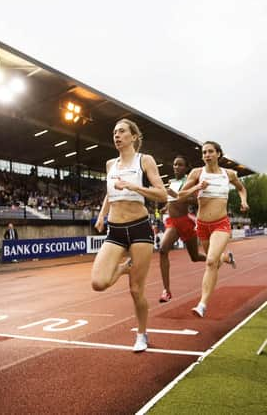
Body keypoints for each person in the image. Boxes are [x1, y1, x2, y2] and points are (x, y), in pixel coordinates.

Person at [91, 118, 167, 352]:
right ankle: (124, 268)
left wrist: (135, 187)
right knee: (98, 282)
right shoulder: (109, 164)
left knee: (136, 290)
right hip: (115, 229)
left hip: (139, 228)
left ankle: (141, 334)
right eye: (114, 132)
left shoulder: (144, 160)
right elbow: (108, 191)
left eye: (122, 131)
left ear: (133, 136)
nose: (117, 135)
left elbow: (162, 194)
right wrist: (101, 215)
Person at [177, 141, 248, 318]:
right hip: (202, 225)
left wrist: (243, 201)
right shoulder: (197, 173)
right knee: (214, 262)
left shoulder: (229, 174)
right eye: (204, 152)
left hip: (221, 224)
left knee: (209, 262)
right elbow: (180, 195)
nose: (207, 155)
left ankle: (202, 304)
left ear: (218, 154)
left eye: (210, 152)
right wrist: (197, 187)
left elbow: (241, 188)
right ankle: (226, 257)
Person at [158, 156, 207, 303]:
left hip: (185, 221)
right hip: (172, 223)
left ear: (186, 168)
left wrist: (178, 196)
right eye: (174, 164)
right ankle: (166, 291)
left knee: (195, 257)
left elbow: (195, 199)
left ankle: (214, 259)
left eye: (180, 165)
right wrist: (166, 207)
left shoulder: (189, 181)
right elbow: (172, 201)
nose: (176, 167)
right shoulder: (171, 182)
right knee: (162, 250)